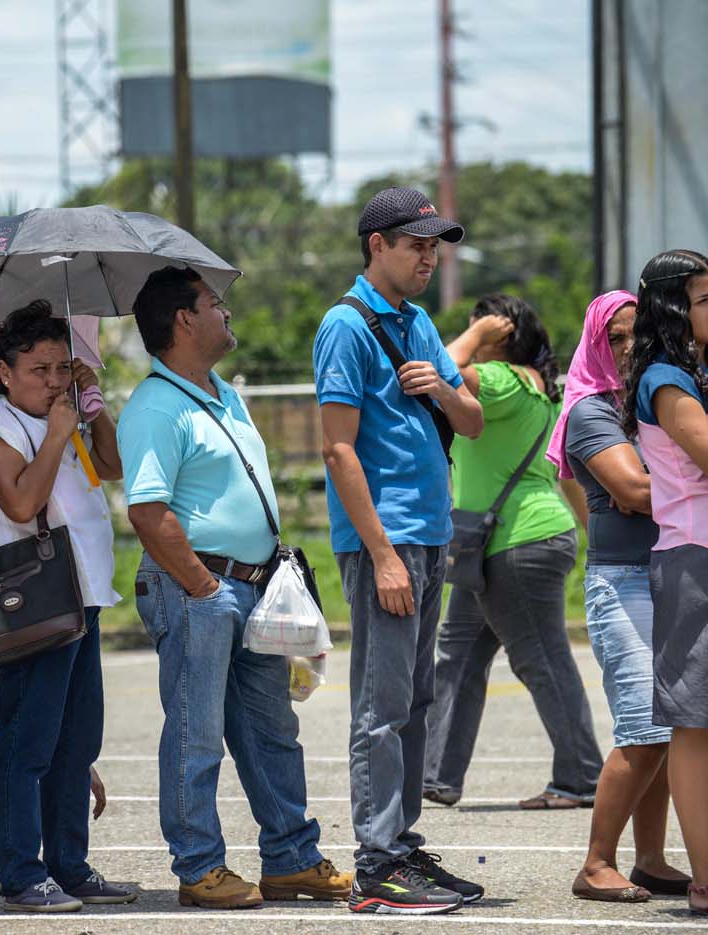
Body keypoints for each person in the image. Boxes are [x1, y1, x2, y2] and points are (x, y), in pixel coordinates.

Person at [121, 265, 350, 911]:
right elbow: (147, 510)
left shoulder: (220, 391)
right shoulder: (155, 404)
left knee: (271, 728)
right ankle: (199, 866)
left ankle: (291, 858)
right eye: (214, 303)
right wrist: (200, 587)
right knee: (196, 732)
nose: (227, 313)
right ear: (184, 320)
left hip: (250, 588)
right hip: (201, 587)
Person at [313, 187, 486, 914]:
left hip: (432, 533)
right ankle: (377, 860)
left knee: (415, 698)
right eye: (416, 243)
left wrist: (440, 391)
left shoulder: (416, 322)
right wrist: (381, 553)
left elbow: (472, 420)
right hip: (387, 541)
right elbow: (337, 449)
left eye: (434, 244)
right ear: (376, 245)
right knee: (381, 706)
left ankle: (403, 843)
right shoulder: (346, 326)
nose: (429, 255)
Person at [0, 300, 132, 913]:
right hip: (32, 603)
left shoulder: (60, 414)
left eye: (64, 367)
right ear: (4, 371)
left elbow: (111, 466)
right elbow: (18, 503)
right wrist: (60, 433)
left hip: (78, 598)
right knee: (27, 740)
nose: (53, 380)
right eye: (39, 369)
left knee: (76, 739)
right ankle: (22, 871)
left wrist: (92, 406)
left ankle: (69, 864)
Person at [423, 294, 602, 808]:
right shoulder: (540, 389)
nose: (470, 335)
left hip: (516, 543)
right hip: (493, 543)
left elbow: (436, 369)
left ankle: (581, 777)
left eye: (478, 328)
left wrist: (476, 338)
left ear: (500, 335)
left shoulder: (502, 382)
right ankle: (436, 774)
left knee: (542, 660)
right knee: (457, 653)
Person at [550, 290, 689, 901]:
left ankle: (652, 859)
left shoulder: (655, 400)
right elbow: (633, 490)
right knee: (642, 726)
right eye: (616, 337)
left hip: (673, 576)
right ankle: (595, 863)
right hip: (625, 581)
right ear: (595, 343)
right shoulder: (588, 410)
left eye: (640, 334)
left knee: (667, 723)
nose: (630, 347)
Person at [622, 248, 708, 917]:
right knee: (695, 723)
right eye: (705, 300)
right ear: (675, 307)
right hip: (692, 560)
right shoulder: (666, 377)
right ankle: (704, 877)